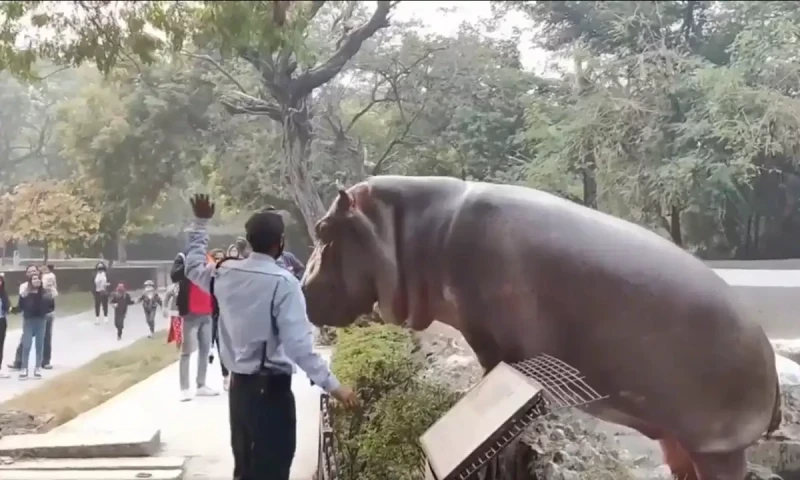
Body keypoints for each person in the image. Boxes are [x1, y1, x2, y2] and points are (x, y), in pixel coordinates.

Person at [183, 194, 358, 480]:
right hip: (271, 394)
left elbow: (191, 267)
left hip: (239, 391)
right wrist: (335, 386)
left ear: (250, 240)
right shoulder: (283, 283)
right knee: (272, 470)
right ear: (280, 243)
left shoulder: (224, 273)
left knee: (246, 469)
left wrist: (200, 223)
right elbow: (299, 347)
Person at [170, 249, 218, 401]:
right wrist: (190, 265)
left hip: (207, 311)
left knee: (205, 349)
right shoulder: (183, 257)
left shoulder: (208, 257)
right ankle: (184, 388)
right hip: (190, 312)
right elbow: (174, 276)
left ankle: (201, 384)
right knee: (186, 351)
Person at [17, 273, 54, 380]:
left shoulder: (44, 293)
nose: (36, 280)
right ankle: (24, 368)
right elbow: (21, 306)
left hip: (41, 320)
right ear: (30, 281)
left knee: (39, 345)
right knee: (26, 344)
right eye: (33, 279)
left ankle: (37, 367)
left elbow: (50, 305)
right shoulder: (26, 293)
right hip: (28, 321)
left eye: (38, 278)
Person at [9, 264, 42, 371]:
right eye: (30, 271)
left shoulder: (43, 284)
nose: (32, 273)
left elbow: (49, 298)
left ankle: (44, 362)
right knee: (25, 340)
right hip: (28, 317)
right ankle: (19, 362)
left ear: (38, 272)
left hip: (42, 317)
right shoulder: (23, 286)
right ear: (26, 274)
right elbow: (22, 302)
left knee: (43, 340)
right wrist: (13, 309)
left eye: (34, 271)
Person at [40, 264, 57, 369]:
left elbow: (52, 297)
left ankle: (45, 361)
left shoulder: (50, 289)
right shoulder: (33, 285)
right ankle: (19, 361)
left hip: (47, 313)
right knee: (26, 337)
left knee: (46, 336)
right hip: (33, 314)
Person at [0, 274, 9, 378]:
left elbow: (8, 307)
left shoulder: (3, 294)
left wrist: (12, 309)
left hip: (1, 321)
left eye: (0, 281)